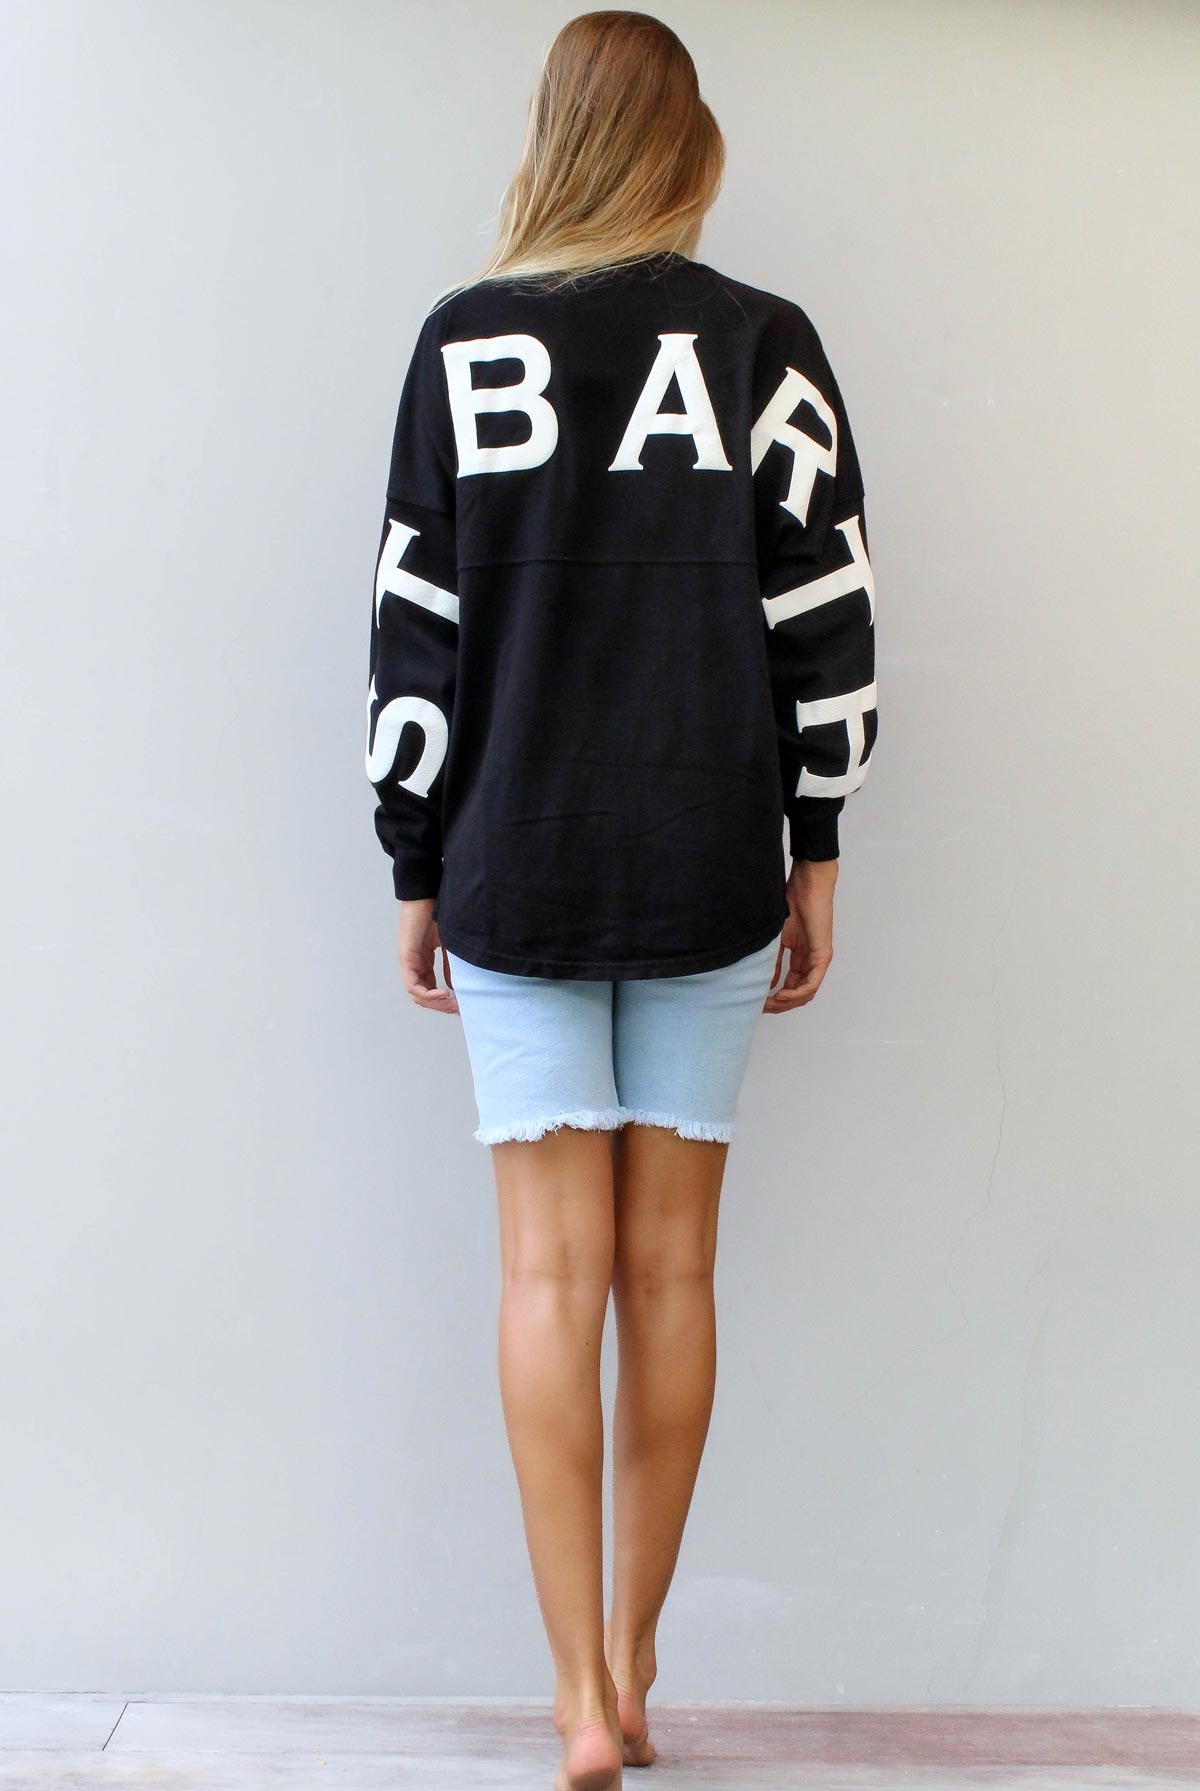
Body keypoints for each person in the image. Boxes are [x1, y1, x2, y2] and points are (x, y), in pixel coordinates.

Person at [363, 12, 878, 1788]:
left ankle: (576, 1692)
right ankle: (643, 1666)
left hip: (512, 851)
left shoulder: (463, 344)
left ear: (552, 136)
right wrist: (817, 846)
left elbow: (415, 625)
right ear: (690, 143)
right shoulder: (763, 345)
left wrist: (414, 857)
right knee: (670, 1270)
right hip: (709, 850)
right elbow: (826, 615)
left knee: (546, 1271)